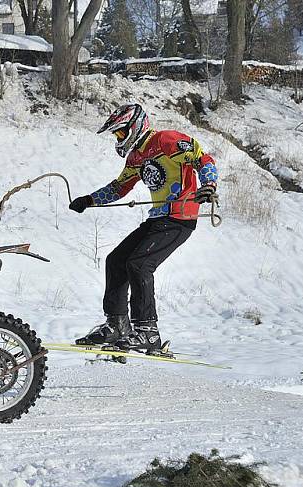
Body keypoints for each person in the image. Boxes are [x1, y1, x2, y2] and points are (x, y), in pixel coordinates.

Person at [69, 103, 219, 352]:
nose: (118, 139)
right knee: (116, 260)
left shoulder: (166, 140)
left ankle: (148, 331)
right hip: (158, 218)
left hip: (179, 218)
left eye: (120, 133)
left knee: (139, 264)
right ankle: (117, 323)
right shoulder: (136, 157)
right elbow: (120, 187)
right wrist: (89, 200)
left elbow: (202, 159)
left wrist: (209, 184)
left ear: (134, 126)